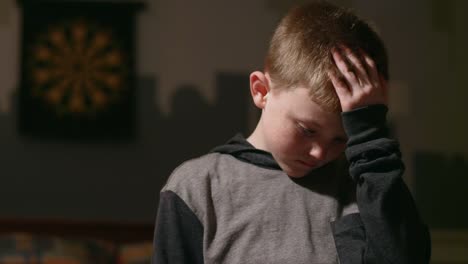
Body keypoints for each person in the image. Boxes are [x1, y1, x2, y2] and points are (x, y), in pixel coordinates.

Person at [152, 1, 431, 263]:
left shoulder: (364, 187)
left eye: (341, 139)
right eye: (307, 130)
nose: (320, 152)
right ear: (261, 91)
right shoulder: (197, 188)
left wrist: (370, 134)